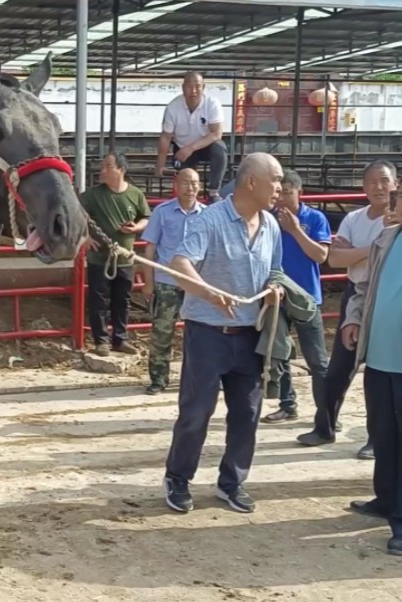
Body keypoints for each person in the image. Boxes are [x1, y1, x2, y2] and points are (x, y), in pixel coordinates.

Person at [162, 152, 285, 515]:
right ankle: (178, 478)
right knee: (196, 412)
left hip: (250, 335)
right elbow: (180, 263)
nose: (280, 187)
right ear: (251, 182)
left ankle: (231, 482)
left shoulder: (271, 226)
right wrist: (206, 291)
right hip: (207, 334)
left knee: (247, 413)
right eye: (275, 180)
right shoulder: (210, 220)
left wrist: (276, 287)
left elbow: (275, 270)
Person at [296, 159, 397, 457]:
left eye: (384, 181)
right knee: (339, 366)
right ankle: (324, 427)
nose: (379, 187)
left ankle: (376, 439)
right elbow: (334, 260)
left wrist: (354, 253)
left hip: (387, 297)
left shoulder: (396, 221)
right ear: (363, 187)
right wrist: (375, 249)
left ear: (395, 184)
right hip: (356, 294)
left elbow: (347, 256)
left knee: (379, 372)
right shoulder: (354, 218)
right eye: (372, 182)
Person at [341, 193, 402, 555]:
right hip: (379, 359)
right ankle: (386, 500)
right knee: (384, 434)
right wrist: (351, 317)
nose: (397, 201)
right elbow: (363, 287)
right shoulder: (386, 239)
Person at [261, 169, 331, 424]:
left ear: (299, 192)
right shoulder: (267, 220)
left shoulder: (315, 218)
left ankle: (327, 411)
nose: (282, 199)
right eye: (279, 193)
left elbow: (321, 256)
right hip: (277, 295)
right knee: (279, 352)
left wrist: (294, 230)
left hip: (307, 296)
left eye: (288, 193)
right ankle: (287, 404)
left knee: (317, 360)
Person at [141, 168, 205, 394]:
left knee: (198, 335)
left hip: (196, 284)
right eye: (186, 182)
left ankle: (195, 379)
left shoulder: (207, 214)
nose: (191, 187)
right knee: (162, 332)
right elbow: (150, 249)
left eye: (195, 183)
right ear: (176, 185)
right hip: (166, 282)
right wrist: (148, 283)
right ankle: (158, 379)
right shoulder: (162, 212)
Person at [81, 152, 151, 357]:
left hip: (125, 258)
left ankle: (120, 338)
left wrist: (136, 227)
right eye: (103, 166)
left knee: (123, 300)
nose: (103, 170)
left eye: (108, 166)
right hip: (99, 258)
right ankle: (101, 341)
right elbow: (76, 212)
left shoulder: (136, 194)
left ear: (121, 169)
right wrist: (85, 237)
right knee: (99, 300)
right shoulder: (93, 195)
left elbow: (146, 217)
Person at [155, 72, 228, 202]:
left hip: (205, 146)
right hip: (182, 148)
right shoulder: (173, 107)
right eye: (189, 87)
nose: (193, 91)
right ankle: (188, 198)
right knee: (185, 176)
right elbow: (166, 137)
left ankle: (214, 191)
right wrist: (160, 165)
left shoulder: (212, 103)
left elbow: (216, 133)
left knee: (220, 148)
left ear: (203, 87)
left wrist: (192, 147)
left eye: (197, 86)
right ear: (183, 88)